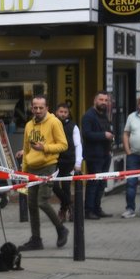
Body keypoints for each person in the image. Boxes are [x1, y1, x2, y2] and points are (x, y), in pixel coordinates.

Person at [15, 95, 69, 251]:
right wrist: (24, 172)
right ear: (31, 108)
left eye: (41, 108)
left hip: (47, 166)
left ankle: (61, 229)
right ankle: (36, 239)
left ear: (47, 108)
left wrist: (44, 148)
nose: (38, 110)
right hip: (31, 167)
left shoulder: (54, 122)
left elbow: (63, 145)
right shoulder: (28, 125)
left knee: (42, 201)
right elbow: (26, 149)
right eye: (35, 107)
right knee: (31, 204)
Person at [80, 91, 114, 219]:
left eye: (106, 100)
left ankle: (97, 208)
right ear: (95, 101)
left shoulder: (104, 115)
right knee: (93, 183)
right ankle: (88, 210)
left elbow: (108, 130)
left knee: (102, 184)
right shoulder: (88, 116)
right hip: (94, 156)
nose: (104, 102)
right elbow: (87, 134)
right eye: (101, 100)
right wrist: (104, 135)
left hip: (105, 154)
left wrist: (110, 136)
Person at [53, 102, 83, 222]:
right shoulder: (52, 125)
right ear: (56, 112)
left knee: (66, 187)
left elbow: (78, 145)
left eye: (65, 112)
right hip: (54, 161)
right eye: (61, 112)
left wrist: (78, 163)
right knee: (53, 186)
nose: (63, 114)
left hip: (69, 161)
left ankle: (63, 210)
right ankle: (70, 204)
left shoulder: (73, 126)